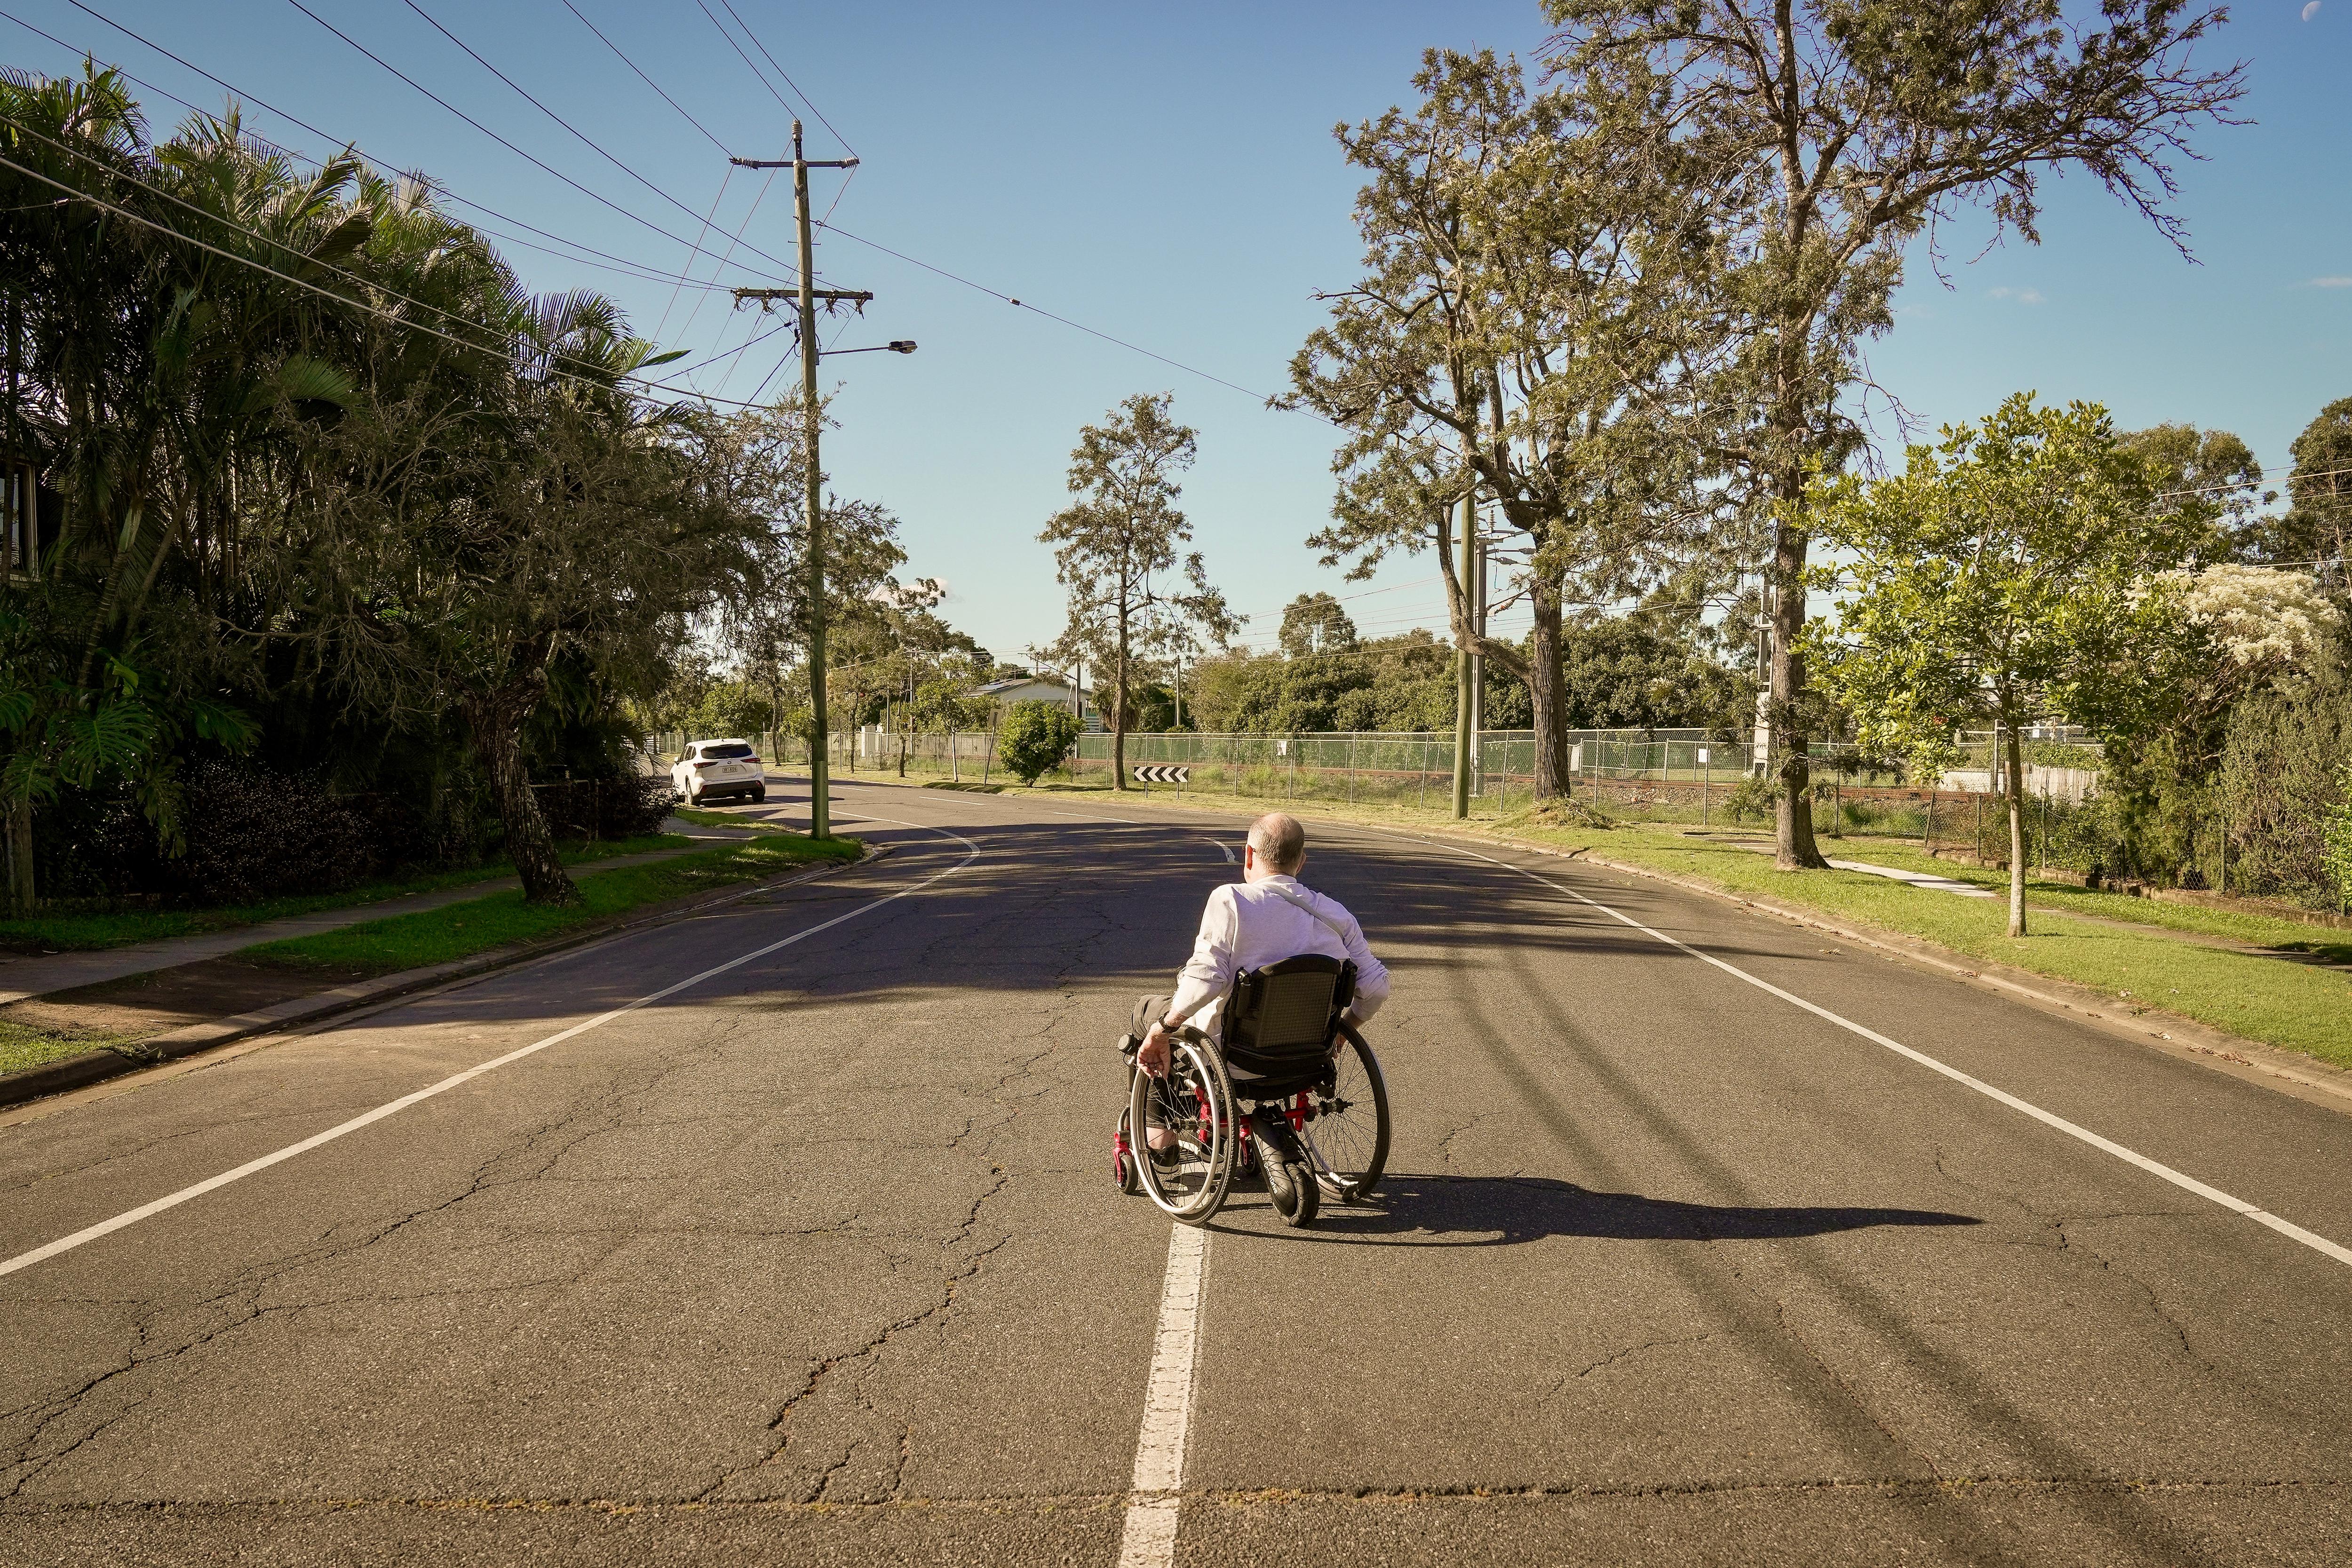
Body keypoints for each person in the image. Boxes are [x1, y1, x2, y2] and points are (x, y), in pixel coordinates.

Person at [1132, 811, 1389, 1094]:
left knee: (1147, 1011)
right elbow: (1375, 988)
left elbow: (1204, 982)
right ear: (1301, 862)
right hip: (1307, 1057)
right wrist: (1344, 1028)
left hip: (1233, 1060)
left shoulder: (1231, 900)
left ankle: (1157, 1131)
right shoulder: (1336, 915)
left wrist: (1162, 1030)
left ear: (1249, 855)